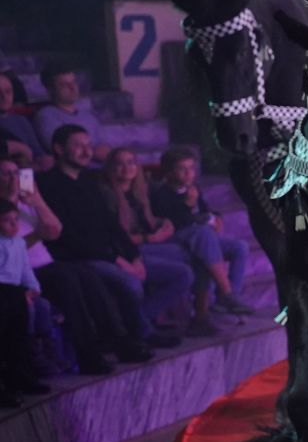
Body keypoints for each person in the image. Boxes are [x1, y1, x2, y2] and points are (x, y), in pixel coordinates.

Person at [37, 126, 179, 355]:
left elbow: (111, 225)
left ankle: (138, 323)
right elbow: (70, 238)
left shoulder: (88, 181)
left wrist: (135, 256)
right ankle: (141, 333)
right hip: (80, 258)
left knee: (181, 274)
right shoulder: (48, 184)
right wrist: (118, 260)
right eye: (78, 145)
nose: (87, 151)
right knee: (131, 284)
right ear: (58, 149)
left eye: (88, 145)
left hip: (110, 252)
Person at [0, 156, 120, 373]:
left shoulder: (26, 202)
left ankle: (119, 339)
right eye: (6, 173)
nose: (12, 179)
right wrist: (12, 204)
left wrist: (36, 200)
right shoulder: (4, 210)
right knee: (68, 280)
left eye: (15, 173)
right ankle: (88, 356)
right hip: (20, 274)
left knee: (88, 275)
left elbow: (55, 229)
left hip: (47, 263)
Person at [98, 147, 202, 335]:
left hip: (146, 243)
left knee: (193, 251)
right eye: (120, 163)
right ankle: (142, 319)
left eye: (131, 162)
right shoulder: (107, 195)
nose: (126, 167)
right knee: (187, 260)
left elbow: (150, 220)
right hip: (128, 249)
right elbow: (116, 235)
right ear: (111, 168)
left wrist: (163, 223)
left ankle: (183, 315)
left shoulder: (139, 190)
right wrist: (148, 238)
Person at [150, 148, 253, 317]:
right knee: (203, 233)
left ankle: (230, 296)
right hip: (177, 238)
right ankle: (226, 292)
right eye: (182, 169)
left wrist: (216, 218)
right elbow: (176, 223)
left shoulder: (193, 189)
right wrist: (188, 205)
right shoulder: (162, 194)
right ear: (169, 172)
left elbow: (204, 210)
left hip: (199, 237)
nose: (188, 173)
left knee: (239, 246)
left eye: (191, 168)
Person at [0, 199, 52, 403]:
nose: (14, 225)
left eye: (16, 220)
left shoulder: (20, 243)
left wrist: (33, 287)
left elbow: (25, 268)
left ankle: (21, 378)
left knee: (19, 337)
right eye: (6, 220)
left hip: (16, 292)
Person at [32, 63, 103, 153]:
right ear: (50, 90)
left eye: (74, 82)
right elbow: (61, 149)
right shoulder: (46, 116)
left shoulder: (89, 116)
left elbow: (103, 146)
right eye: (65, 85)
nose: (73, 88)